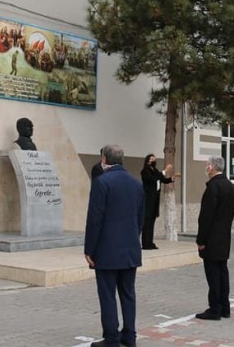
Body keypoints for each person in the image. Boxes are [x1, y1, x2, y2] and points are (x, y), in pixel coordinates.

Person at [84, 144, 144, 347]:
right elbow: (140, 218)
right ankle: (130, 336)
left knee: (108, 295)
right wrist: (132, 239)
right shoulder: (136, 183)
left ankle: (111, 339)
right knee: (128, 294)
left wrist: (89, 250)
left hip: (106, 252)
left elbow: (95, 219)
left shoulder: (102, 182)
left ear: (104, 159)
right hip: (130, 250)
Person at [195, 156, 234, 320]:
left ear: (211, 168)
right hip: (224, 236)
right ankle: (225, 307)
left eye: (207, 165)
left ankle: (215, 309)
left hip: (212, 238)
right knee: (222, 272)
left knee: (213, 274)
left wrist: (201, 240)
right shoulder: (229, 186)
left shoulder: (213, 187)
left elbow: (206, 217)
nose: (206, 168)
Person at [140, 154, 175, 250]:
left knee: (152, 221)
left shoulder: (155, 171)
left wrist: (171, 179)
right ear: (147, 161)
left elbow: (162, 179)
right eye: (152, 159)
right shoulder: (145, 171)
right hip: (148, 200)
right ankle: (145, 244)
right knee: (147, 222)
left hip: (155, 200)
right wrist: (165, 171)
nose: (154, 160)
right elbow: (152, 179)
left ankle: (150, 242)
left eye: (154, 159)